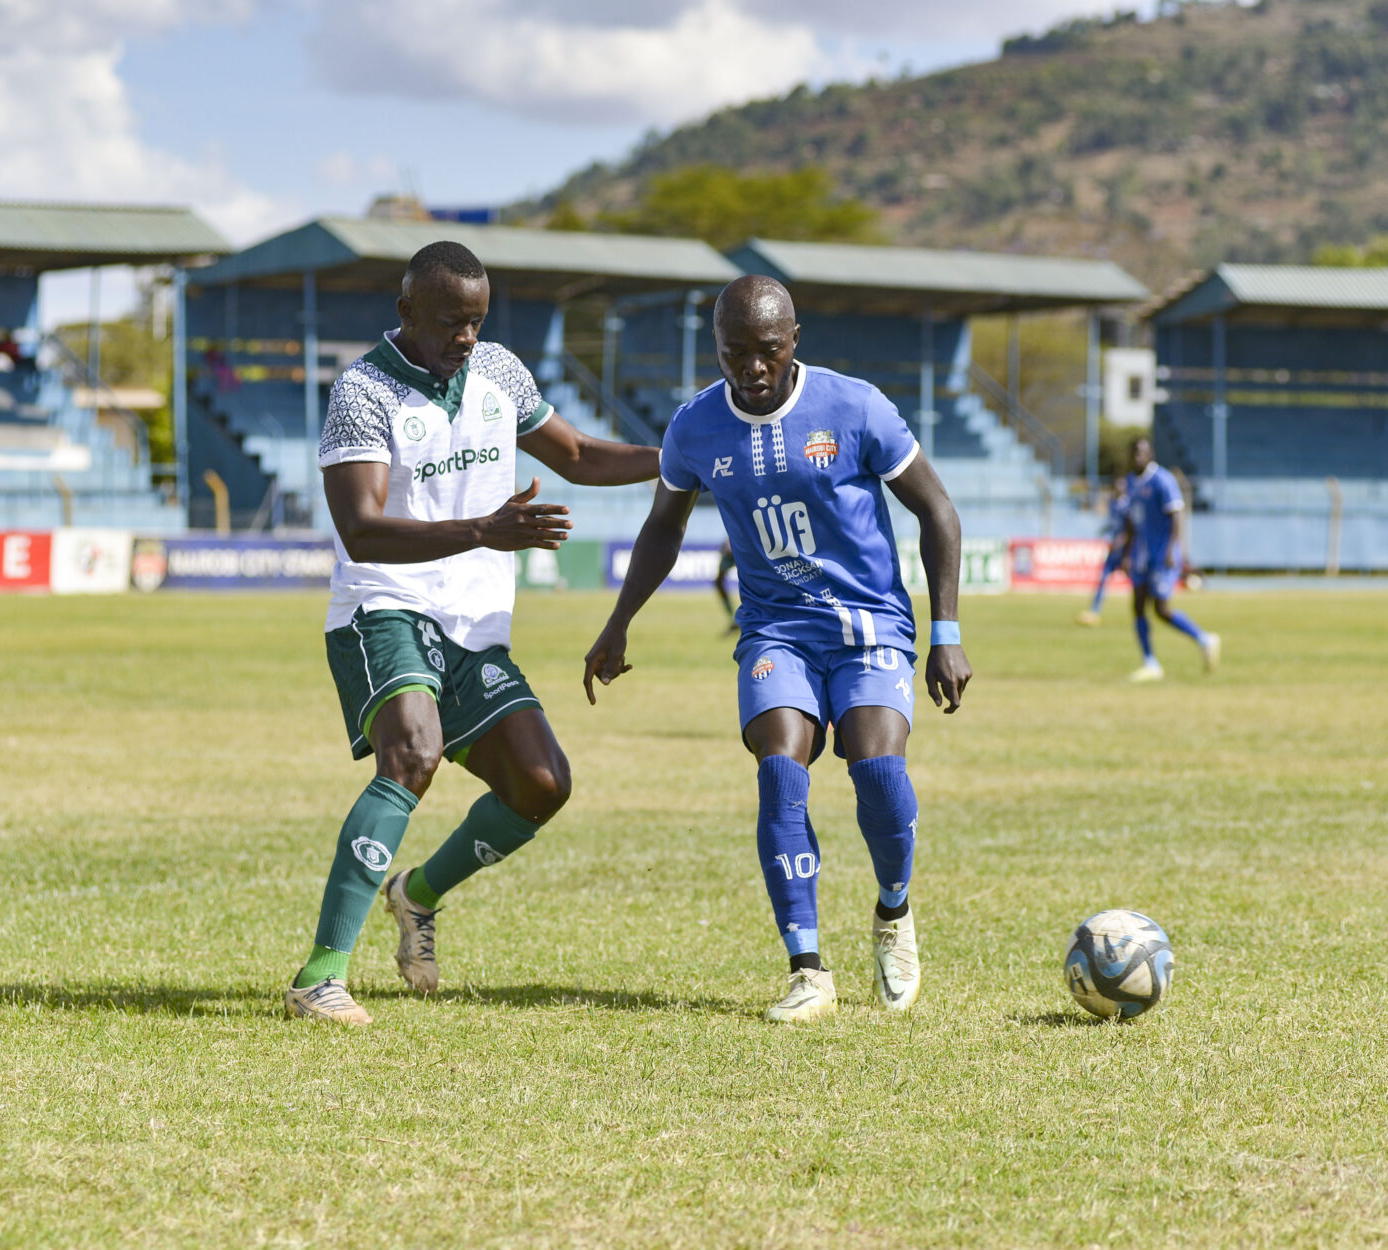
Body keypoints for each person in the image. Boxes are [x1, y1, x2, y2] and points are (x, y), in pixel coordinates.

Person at [285, 240, 660, 1025]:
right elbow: (361, 529)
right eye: (452, 321)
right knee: (413, 755)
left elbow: (582, 455)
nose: (466, 336)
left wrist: (680, 460)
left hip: (474, 623)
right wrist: (486, 530)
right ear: (406, 312)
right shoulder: (363, 390)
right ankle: (320, 977)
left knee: (541, 786)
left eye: (478, 320)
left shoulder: (499, 373)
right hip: (385, 604)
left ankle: (414, 897)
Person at [583, 275, 971, 1023]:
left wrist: (946, 633)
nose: (752, 369)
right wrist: (618, 621)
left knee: (879, 769)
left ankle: (894, 913)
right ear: (717, 349)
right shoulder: (695, 426)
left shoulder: (854, 406)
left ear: (795, 341)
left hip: (869, 625)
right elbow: (664, 526)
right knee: (779, 768)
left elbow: (937, 510)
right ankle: (807, 970)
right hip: (775, 629)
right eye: (736, 353)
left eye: (767, 351)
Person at [1122, 435, 1220, 682]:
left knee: (1161, 610)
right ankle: (1150, 662)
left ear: (1150, 454)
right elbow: (1133, 520)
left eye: (1141, 452)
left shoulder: (1162, 480)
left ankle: (1204, 638)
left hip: (1162, 555)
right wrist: (1126, 552)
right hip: (1142, 555)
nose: (1137, 457)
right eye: (1133, 453)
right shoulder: (1132, 482)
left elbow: (1177, 516)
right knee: (1137, 605)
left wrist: (1171, 551)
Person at [1075, 477, 1129, 626]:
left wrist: (1122, 541)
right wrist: (1105, 533)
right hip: (1114, 551)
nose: (1119, 488)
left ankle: (1146, 610)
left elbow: (1131, 529)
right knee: (1103, 578)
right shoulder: (1113, 503)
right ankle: (1094, 610)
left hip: (1126, 551)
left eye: (1121, 485)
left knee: (1138, 582)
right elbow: (1114, 525)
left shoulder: (1129, 504)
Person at [713, 538, 739, 634]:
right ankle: (734, 620)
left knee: (753, 581)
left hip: (744, 543)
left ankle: (749, 618)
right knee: (718, 582)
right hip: (733, 542)